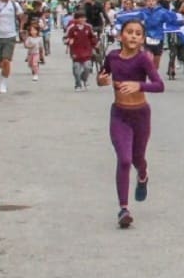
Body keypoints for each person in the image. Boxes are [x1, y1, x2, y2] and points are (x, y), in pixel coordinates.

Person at [98, 20, 164, 228]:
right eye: (129, 32)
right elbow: (103, 76)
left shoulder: (143, 60)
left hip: (141, 115)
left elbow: (159, 85)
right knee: (124, 160)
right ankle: (123, 209)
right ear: (121, 36)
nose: (133, 36)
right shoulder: (112, 57)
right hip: (119, 114)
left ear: (142, 39)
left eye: (138, 33)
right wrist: (101, 80)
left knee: (137, 159)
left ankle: (143, 175)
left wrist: (138, 85)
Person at [64, 14, 99, 89]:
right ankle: (78, 83)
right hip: (75, 51)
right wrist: (69, 41)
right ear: (76, 19)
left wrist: (95, 44)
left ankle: (84, 78)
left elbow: (92, 37)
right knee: (76, 68)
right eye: (80, 18)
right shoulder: (72, 28)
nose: (82, 20)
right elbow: (66, 37)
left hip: (87, 50)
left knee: (87, 67)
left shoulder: (88, 27)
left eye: (83, 18)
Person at [21, 15, 45, 82]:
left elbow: (41, 47)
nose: (33, 32)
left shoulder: (40, 38)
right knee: (30, 64)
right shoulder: (29, 38)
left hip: (36, 53)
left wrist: (42, 55)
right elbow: (26, 45)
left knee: (35, 63)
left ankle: (36, 74)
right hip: (30, 53)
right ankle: (34, 69)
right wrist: (29, 46)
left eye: (34, 30)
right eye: (32, 30)